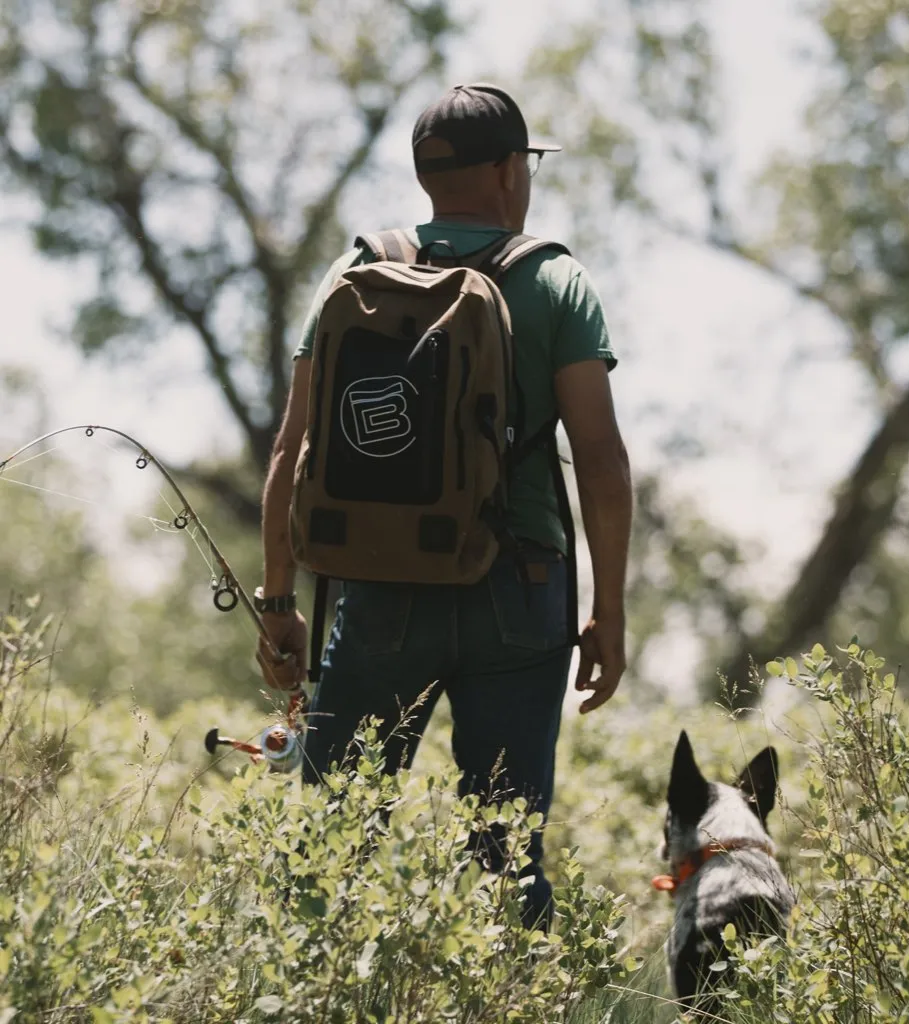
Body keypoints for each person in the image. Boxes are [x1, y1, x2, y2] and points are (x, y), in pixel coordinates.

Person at [257, 82, 633, 929]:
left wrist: (279, 599)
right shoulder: (556, 280)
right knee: (505, 858)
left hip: (379, 587)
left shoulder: (355, 272)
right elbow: (602, 462)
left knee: (331, 848)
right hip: (520, 593)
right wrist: (607, 609)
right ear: (507, 171)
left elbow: (291, 448)